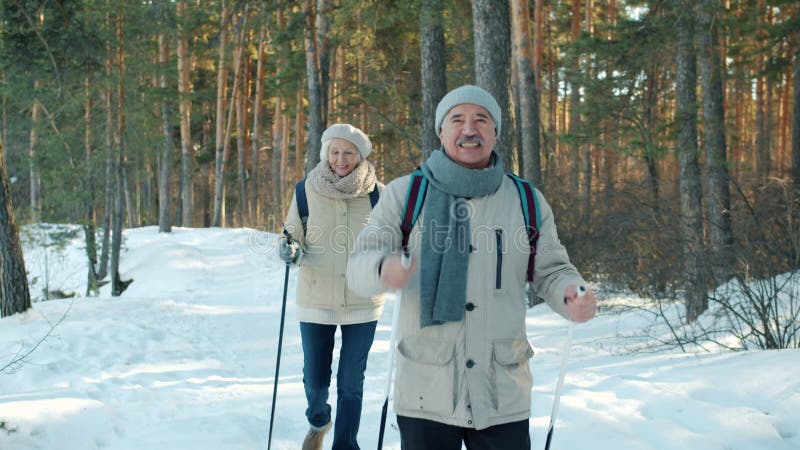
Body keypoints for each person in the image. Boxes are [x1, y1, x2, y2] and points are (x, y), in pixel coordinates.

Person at [346, 85, 597, 450]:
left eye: (481, 120)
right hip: (426, 390)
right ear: (441, 131)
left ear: (495, 132)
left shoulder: (525, 200)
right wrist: (383, 267)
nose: (469, 129)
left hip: (501, 392)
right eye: (457, 120)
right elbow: (357, 266)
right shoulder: (405, 194)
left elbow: (552, 269)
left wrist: (570, 293)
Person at [278, 123, 385, 450]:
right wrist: (289, 249)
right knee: (316, 379)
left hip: (363, 299)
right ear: (326, 153)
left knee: (352, 381)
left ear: (361, 155)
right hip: (316, 297)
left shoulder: (379, 193)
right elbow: (291, 235)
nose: (341, 159)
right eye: (335, 152)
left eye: (348, 152)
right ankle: (318, 420)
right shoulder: (305, 191)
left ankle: (345, 444)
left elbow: (393, 238)